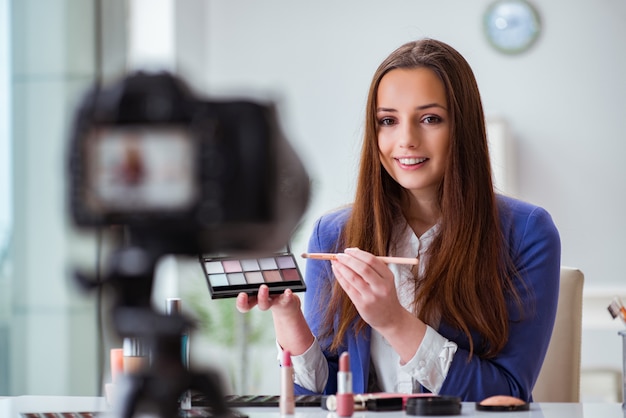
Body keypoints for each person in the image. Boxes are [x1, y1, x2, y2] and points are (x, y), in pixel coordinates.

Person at [236, 38, 560, 402]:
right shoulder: (334, 234)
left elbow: (508, 393)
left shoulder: (527, 232)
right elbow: (326, 395)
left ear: (462, 127)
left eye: (430, 119)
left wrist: (393, 321)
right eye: (387, 121)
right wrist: (289, 319)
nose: (405, 139)